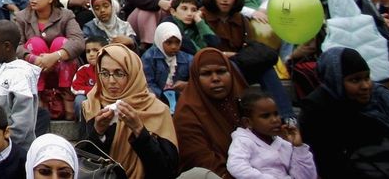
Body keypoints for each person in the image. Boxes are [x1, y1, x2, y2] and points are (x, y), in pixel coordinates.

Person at [299, 47, 389, 177]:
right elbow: (326, 165)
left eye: (367, 78)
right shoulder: (316, 110)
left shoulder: (382, 99)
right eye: (355, 80)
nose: (365, 86)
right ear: (334, 80)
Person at [81, 43, 180, 179]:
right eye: (104, 73)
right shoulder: (91, 106)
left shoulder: (157, 110)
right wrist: (97, 133)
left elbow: (167, 170)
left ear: (133, 73)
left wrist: (139, 130)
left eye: (119, 73)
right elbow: (82, 164)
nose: (111, 81)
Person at [174, 47, 248, 177]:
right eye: (206, 74)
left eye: (221, 71)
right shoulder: (188, 113)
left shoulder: (242, 101)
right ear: (196, 78)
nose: (215, 78)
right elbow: (204, 163)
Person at [16, 0, 83, 119]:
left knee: (61, 42)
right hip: (36, 68)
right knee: (35, 43)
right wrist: (34, 58)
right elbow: (17, 45)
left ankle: (67, 98)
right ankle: (38, 97)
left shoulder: (66, 15)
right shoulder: (22, 17)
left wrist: (55, 56)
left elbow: (78, 41)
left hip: (61, 69)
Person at [226, 88, 317, 179]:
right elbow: (237, 167)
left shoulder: (284, 144)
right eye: (266, 116)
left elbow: (306, 176)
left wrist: (298, 147)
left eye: (276, 114)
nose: (275, 120)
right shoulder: (243, 141)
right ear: (247, 122)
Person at [0, 20, 40, 150]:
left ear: (7, 46)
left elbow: (23, 119)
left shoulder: (20, 74)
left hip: (16, 149)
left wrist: (6, 142)